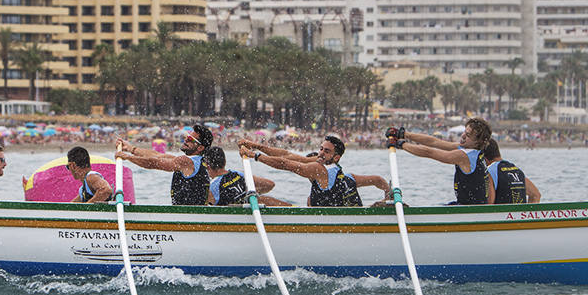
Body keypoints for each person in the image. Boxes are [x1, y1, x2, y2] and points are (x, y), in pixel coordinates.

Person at [238, 135, 391, 207]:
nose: (321, 153)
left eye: (326, 151)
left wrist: (254, 156)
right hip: (339, 218)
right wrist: (255, 145)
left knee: (263, 200)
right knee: (310, 200)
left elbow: (285, 164)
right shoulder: (349, 177)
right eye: (321, 149)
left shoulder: (319, 169)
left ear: (336, 157)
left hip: (332, 224)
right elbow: (378, 180)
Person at [386, 118, 493, 205]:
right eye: (465, 131)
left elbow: (429, 152)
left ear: (478, 142)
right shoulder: (473, 150)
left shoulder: (464, 156)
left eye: (468, 135)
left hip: (471, 211)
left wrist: (401, 145)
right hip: (468, 205)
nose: (463, 136)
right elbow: (434, 142)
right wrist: (403, 134)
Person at [116, 124, 213, 205]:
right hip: (192, 214)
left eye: (191, 139)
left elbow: (154, 163)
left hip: (188, 216)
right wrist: (130, 148)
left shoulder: (185, 161)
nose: (186, 140)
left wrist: (128, 157)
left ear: (200, 148)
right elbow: (157, 155)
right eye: (187, 136)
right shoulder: (195, 162)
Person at [201, 146, 290, 206]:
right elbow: (270, 184)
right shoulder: (238, 174)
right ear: (224, 162)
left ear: (208, 166)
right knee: (263, 199)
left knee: (261, 200)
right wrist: (250, 194)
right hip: (251, 210)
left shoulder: (211, 187)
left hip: (238, 218)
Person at [483, 139, 541, 204]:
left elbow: (489, 205)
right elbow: (536, 195)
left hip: (503, 210)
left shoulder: (490, 172)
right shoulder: (517, 171)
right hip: (520, 210)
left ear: (484, 159)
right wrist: (529, 210)